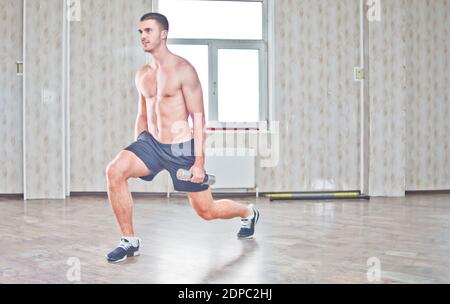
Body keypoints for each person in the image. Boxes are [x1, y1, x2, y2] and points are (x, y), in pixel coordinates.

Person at [105, 13, 260, 263]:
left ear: (163, 33)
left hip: (181, 149)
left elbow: (198, 118)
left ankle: (248, 212)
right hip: (151, 144)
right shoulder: (143, 73)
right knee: (114, 171)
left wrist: (198, 163)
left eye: (148, 31)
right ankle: (129, 240)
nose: (143, 36)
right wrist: (138, 145)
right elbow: (142, 114)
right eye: (140, 32)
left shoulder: (183, 70)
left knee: (206, 211)